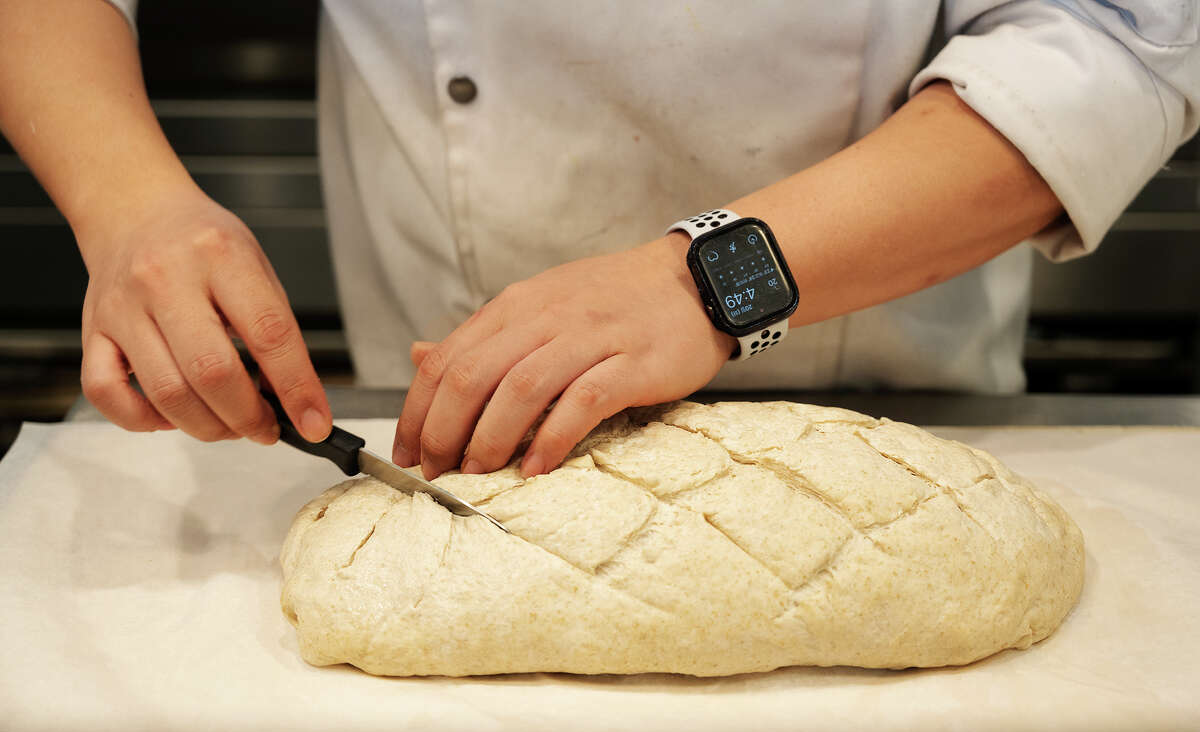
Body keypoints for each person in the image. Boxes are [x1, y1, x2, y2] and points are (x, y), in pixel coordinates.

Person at [2, 1, 1197, 480]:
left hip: (893, 406)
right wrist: (132, 202)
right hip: (448, 414)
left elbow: (1112, 39)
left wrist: (713, 279)